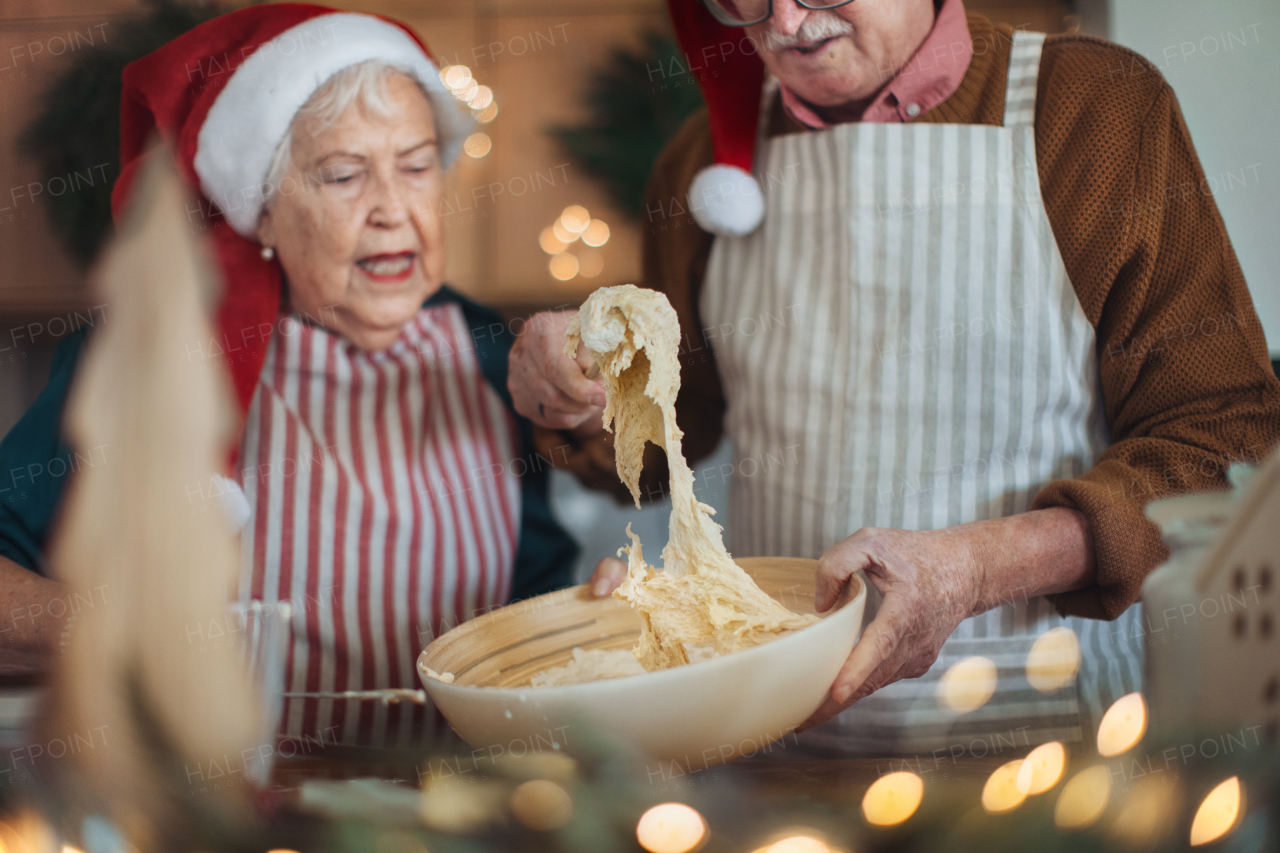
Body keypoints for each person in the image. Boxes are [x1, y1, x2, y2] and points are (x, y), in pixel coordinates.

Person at [510, 0, 1280, 755]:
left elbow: (1222, 435)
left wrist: (978, 567)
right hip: (781, 746)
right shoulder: (701, 163)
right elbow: (673, 432)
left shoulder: (1095, 110)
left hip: (1052, 743)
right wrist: (578, 395)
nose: (782, 24)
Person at [0, 4, 577, 746]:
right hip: (233, 805)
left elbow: (533, 597)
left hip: (455, 804)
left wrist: (581, 622)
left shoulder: (488, 350)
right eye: (343, 175)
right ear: (262, 211)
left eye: (416, 162)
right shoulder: (153, 356)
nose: (393, 211)